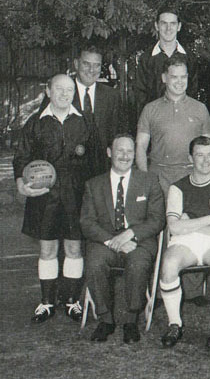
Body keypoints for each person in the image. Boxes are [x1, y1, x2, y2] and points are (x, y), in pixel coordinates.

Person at [14, 74, 96, 323]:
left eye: (69, 90)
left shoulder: (85, 122)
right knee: (48, 248)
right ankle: (47, 302)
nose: (64, 94)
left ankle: (71, 301)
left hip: (75, 194)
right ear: (48, 91)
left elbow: (95, 163)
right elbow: (21, 159)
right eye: (59, 89)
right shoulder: (35, 123)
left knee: (73, 247)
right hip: (44, 196)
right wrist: (21, 183)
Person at [80, 133, 165, 343]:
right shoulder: (94, 184)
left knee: (138, 263)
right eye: (120, 150)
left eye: (130, 151)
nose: (125, 156)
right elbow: (87, 222)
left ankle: (131, 320)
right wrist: (112, 242)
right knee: (95, 262)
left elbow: (157, 220)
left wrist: (131, 234)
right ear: (109, 153)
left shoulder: (149, 181)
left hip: (139, 241)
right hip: (105, 241)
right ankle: (105, 320)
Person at [158, 136, 210, 349]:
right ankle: (175, 323)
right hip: (186, 242)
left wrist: (190, 221)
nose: (205, 161)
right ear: (190, 158)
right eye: (200, 155)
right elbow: (174, 228)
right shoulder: (178, 188)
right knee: (169, 264)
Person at [136, 54, 210, 195]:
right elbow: (140, 147)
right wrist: (146, 179)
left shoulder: (200, 108)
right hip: (159, 178)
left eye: (183, 77)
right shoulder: (150, 109)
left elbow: (208, 147)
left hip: (191, 177)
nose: (179, 82)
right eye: (174, 77)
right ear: (164, 78)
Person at [41, 46, 124, 173]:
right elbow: (42, 131)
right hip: (67, 172)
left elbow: (118, 131)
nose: (91, 70)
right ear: (76, 64)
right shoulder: (60, 93)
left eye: (97, 65)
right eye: (86, 64)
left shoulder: (111, 96)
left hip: (101, 171)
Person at [134, 7, 198, 126]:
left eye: (172, 23)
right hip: (155, 123)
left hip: (183, 122)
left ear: (179, 26)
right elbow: (140, 97)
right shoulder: (146, 59)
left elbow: (193, 92)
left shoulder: (189, 58)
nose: (168, 28)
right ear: (157, 26)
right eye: (164, 23)